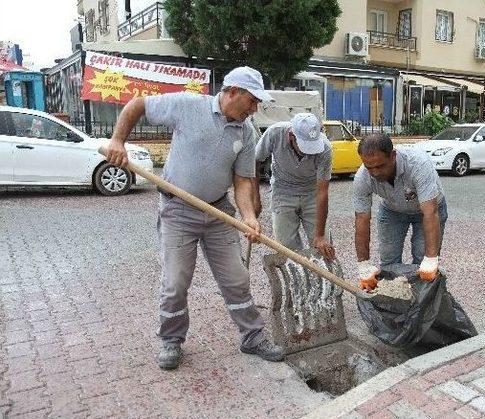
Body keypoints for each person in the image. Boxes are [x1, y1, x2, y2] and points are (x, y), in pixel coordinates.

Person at [102, 66, 284, 370]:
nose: (255, 108)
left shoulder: (247, 131)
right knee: (175, 282)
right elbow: (137, 105)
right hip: (178, 210)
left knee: (237, 279)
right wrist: (118, 141)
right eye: (253, 100)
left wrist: (249, 216)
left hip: (217, 211)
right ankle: (171, 340)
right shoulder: (188, 106)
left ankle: (252, 337)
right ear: (233, 92)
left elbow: (242, 181)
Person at [353, 133, 448, 290]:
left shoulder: (417, 164)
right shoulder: (362, 177)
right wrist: (363, 265)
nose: (375, 172)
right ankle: (395, 303)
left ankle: (420, 306)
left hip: (426, 210)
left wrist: (431, 259)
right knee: (389, 261)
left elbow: (430, 212)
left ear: (393, 156)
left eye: (380, 166)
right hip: (392, 211)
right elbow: (361, 219)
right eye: (369, 167)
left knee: (422, 261)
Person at [252, 113, 335, 261]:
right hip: (282, 191)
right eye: (304, 146)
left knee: (324, 247)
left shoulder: (325, 148)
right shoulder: (274, 134)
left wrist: (320, 235)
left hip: (312, 193)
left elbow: (322, 192)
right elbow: (255, 161)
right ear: (291, 136)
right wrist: (255, 199)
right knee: (286, 250)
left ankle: (327, 280)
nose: (308, 151)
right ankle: (299, 280)